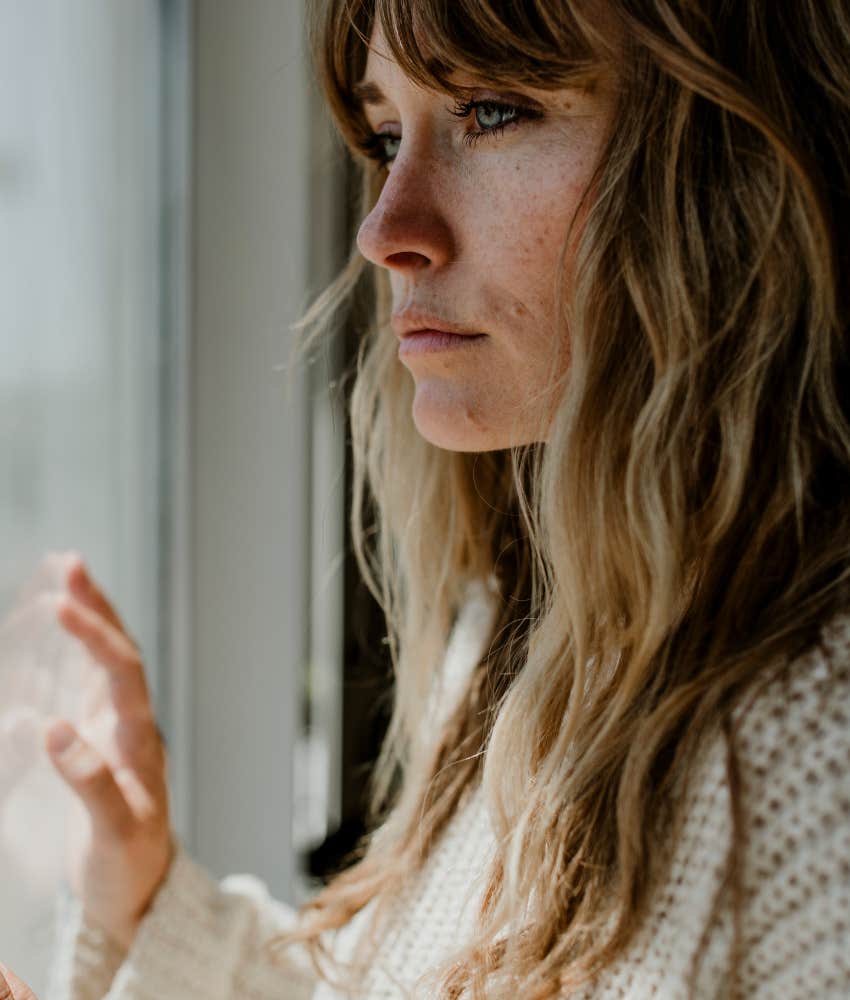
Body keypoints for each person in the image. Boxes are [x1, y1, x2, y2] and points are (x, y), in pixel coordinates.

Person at [3, 0, 850, 996]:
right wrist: (144, 899)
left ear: (738, 156)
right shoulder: (535, 626)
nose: (384, 229)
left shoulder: (817, 767)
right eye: (388, 135)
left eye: (493, 111)